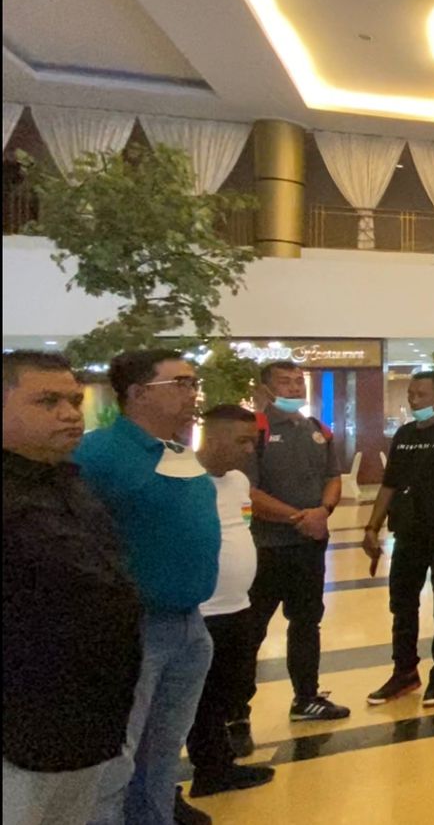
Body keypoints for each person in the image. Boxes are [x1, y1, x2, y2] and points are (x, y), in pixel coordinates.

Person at [75, 349, 222, 824]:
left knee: (162, 754)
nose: (192, 394)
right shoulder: (98, 454)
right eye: (180, 383)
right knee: (116, 760)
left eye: (193, 383)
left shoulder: (178, 453)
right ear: (138, 393)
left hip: (189, 625)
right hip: (133, 629)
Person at [3, 352, 142, 825]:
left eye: (74, 401)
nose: (69, 414)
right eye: (47, 401)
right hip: (20, 730)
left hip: (83, 718)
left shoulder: (67, 483)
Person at [242, 361, 349, 725]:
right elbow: (247, 491)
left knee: (306, 623)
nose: (294, 388)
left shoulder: (317, 429)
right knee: (251, 629)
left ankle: (306, 698)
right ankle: (235, 711)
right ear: (266, 389)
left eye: (298, 382)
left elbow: (333, 476)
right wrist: (298, 518)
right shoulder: (255, 431)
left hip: (309, 548)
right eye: (285, 382)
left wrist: (323, 511)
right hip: (266, 547)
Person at [363, 372, 434, 707]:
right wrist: (372, 526)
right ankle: (404, 671)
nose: (414, 400)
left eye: (421, 395)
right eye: (411, 394)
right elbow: (390, 484)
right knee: (402, 604)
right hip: (408, 534)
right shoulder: (405, 435)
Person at [183, 405, 276, 800]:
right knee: (199, 697)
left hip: (238, 606)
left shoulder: (238, 481)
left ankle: (219, 764)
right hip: (201, 611)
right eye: (242, 441)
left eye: (252, 442)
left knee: (233, 688)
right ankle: (209, 769)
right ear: (214, 437)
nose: (249, 450)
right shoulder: (183, 477)